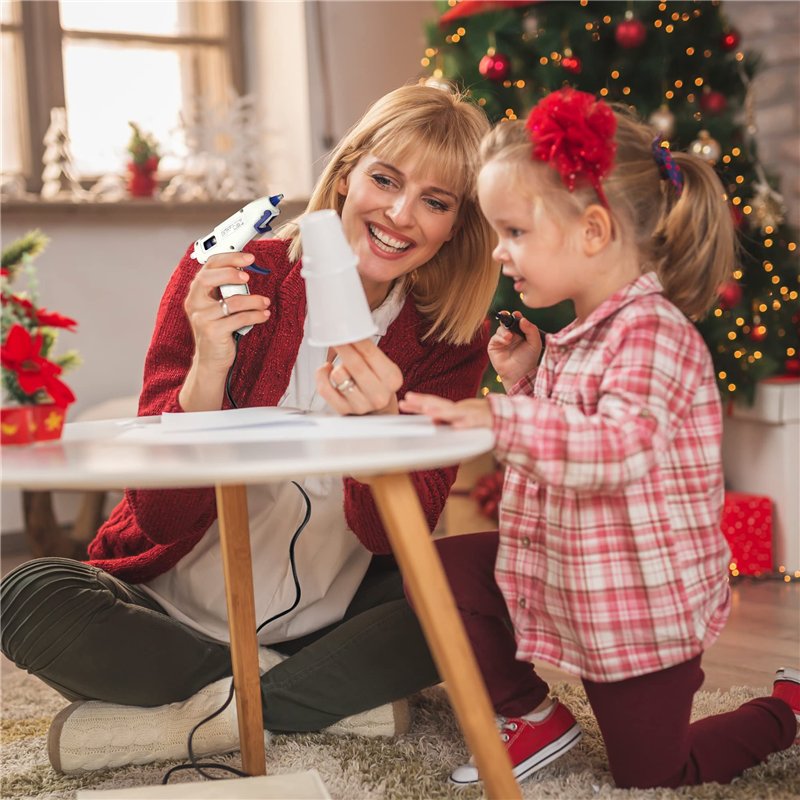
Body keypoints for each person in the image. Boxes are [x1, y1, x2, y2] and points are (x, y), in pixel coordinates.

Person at [0, 84, 500, 775]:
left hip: (336, 617)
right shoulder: (235, 278)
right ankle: (325, 701)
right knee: (27, 598)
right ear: (349, 171)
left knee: (494, 584)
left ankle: (192, 719)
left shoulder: (448, 337)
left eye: (435, 201)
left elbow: (394, 535)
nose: (399, 213)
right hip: (171, 613)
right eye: (385, 179)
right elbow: (159, 513)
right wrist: (208, 368)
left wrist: (379, 431)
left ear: (455, 225)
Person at [400, 87, 800, 790]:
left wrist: (500, 418)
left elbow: (616, 448)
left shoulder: (655, 333)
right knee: (435, 571)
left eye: (515, 232)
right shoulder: (582, 331)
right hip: (565, 569)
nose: (498, 253)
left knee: (654, 772)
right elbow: (569, 433)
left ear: (592, 231)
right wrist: (525, 379)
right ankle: (531, 716)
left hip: (636, 611)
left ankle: (786, 711)